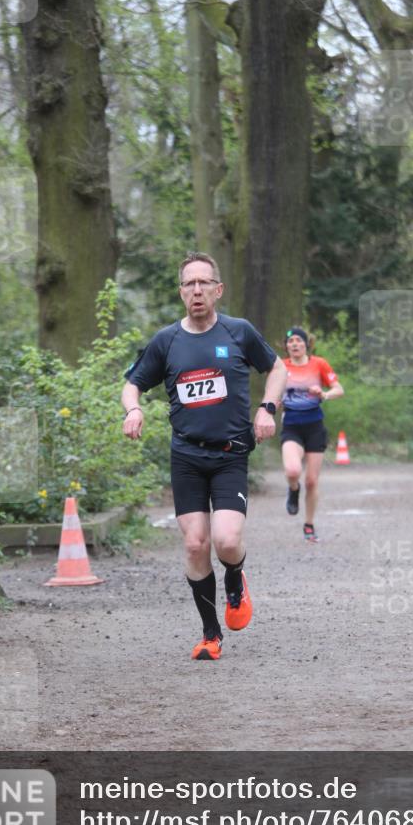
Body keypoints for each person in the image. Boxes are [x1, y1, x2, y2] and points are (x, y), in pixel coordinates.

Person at [122, 252, 287, 661]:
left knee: (226, 541)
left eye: (203, 283)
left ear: (218, 289)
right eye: (188, 284)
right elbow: (132, 384)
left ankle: (235, 576)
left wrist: (267, 408)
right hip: (187, 457)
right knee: (195, 545)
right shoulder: (167, 341)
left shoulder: (238, 332)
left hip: (230, 454)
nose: (196, 291)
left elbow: (278, 369)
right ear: (181, 292)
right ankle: (211, 635)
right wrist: (134, 409)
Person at [280, 327, 344, 543]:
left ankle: (308, 524)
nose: (295, 344)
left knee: (312, 481)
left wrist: (324, 393)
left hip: (314, 426)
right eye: (291, 341)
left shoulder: (319, 364)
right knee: (292, 470)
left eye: (299, 340)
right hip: (291, 425)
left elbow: (339, 389)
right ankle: (292, 489)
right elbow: (273, 391)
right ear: (286, 346)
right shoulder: (281, 366)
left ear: (307, 344)